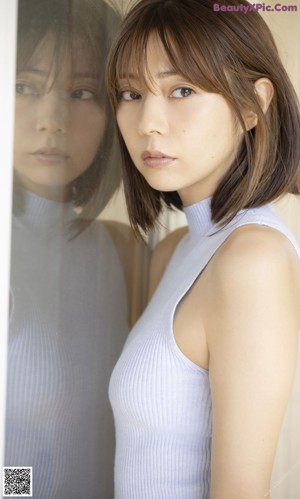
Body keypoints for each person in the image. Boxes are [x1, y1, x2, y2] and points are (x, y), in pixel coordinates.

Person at [105, 0, 300, 497]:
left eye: (182, 90)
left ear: (254, 105)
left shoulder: (252, 259)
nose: (149, 121)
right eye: (130, 92)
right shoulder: (175, 250)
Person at [6, 0, 129, 497]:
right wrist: (17, 489)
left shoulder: (115, 250)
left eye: (82, 92)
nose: (53, 119)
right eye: (24, 87)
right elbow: (16, 471)